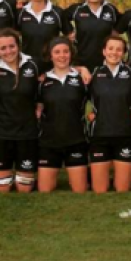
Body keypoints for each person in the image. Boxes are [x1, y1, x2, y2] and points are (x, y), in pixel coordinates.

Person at [0, 29, 40, 193]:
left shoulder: (33, 65)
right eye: (3, 48)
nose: (8, 51)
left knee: (24, 189)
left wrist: (38, 108)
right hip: (2, 131)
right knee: (2, 188)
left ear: (18, 46)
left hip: (28, 132)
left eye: (12, 46)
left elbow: (42, 93)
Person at [36, 37, 90, 193]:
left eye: (66, 51)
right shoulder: (42, 81)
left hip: (76, 140)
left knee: (79, 190)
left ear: (71, 54)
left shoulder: (82, 79)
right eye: (57, 52)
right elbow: (37, 105)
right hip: (49, 142)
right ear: (50, 55)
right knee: (45, 190)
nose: (62, 55)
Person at [88, 36, 131, 193]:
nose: (114, 52)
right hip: (100, 134)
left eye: (119, 49)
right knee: (100, 190)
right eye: (110, 48)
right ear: (104, 51)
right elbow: (80, 96)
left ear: (124, 53)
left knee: (122, 189)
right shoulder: (94, 73)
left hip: (124, 134)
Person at [65, 0, 121, 73]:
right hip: (82, 62)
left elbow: (123, 22)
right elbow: (60, 17)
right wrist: (69, 31)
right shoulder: (77, 9)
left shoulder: (111, 9)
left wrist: (116, 32)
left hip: (106, 63)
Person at [17, 0, 67, 73]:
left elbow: (69, 38)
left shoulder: (58, 13)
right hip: (27, 69)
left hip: (53, 69)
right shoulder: (20, 14)